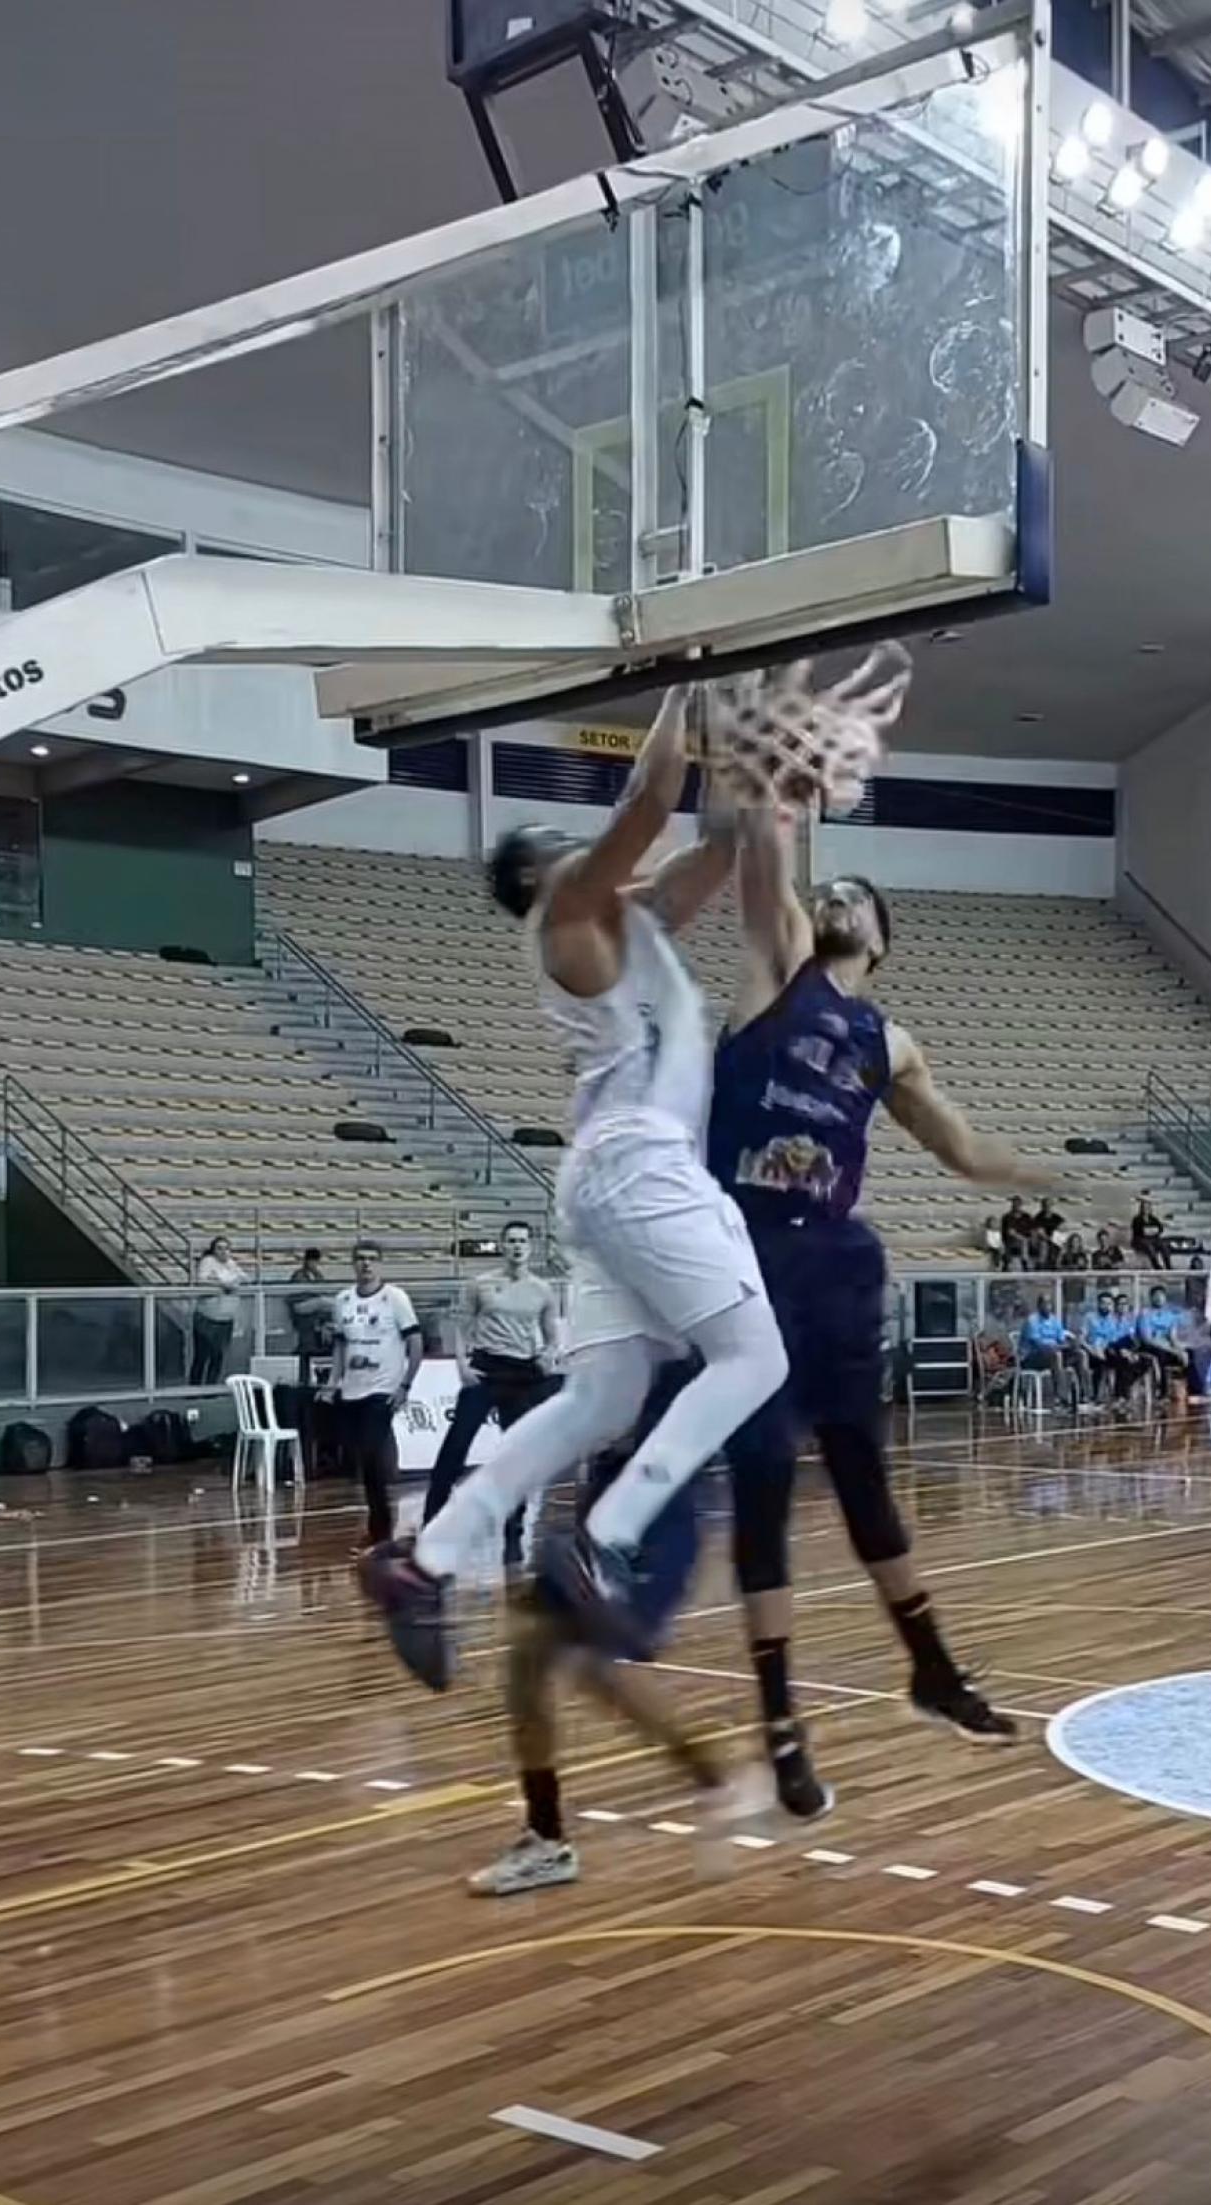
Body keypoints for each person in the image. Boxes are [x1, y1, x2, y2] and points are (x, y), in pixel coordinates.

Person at [363, 685, 788, 1691]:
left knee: (603, 1396)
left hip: (614, 1173)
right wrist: (689, 681)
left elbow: (712, 850)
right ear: (535, 871)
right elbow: (647, 801)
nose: (590, 846)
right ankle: (605, 1537)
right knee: (753, 1357)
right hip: (637, 1164)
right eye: (562, 838)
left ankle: (423, 1560)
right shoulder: (565, 910)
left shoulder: (628, 923)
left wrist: (742, 746)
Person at [708, 800, 1054, 1818]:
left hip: (833, 1265)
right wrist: (774, 792)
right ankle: (780, 1727)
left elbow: (960, 1150)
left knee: (864, 1482)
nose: (835, 898)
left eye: (854, 896)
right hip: (740, 1250)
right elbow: (768, 874)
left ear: (882, 939)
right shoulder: (774, 974)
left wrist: (1048, 1177)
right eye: (828, 891)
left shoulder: (887, 1042)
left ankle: (932, 1672)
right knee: (764, 1481)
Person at [468, 1358, 767, 1895]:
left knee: (597, 1666)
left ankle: (719, 1777)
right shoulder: (612, 1312)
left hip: (658, 1505)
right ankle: (546, 1836)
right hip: (601, 1498)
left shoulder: (687, 1316)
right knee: (526, 1655)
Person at [423, 1222, 560, 1572]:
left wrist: (548, 1354)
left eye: (522, 1241)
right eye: (511, 1240)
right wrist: (461, 1365)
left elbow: (551, 1333)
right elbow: (460, 1327)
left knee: (516, 1454)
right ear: (502, 1245)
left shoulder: (542, 1289)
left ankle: (514, 1525)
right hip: (485, 1369)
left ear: (531, 1247)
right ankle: (432, 1523)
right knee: (455, 1447)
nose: (516, 1246)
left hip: (522, 1374)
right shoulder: (479, 1285)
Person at [330, 1239, 423, 1546]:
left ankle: (381, 1528)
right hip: (352, 1389)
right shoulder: (342, 1300)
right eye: (360, 1258)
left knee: (371, 1454)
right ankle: (382, 1514)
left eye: (371, 1259)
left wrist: (405, 1385)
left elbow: (414, 1342)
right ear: (352, 1263)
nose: (365, 1264)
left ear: (380, 1263)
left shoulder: (394, 1298)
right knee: (361, 1457)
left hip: (382, 1388)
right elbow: (341, 1345)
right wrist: (334, 1381)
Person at [1018, 1295, 1092, 1408]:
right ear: (1039, 1305)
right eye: (1045, 1304)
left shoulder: (1055, 1320)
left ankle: (1084, 1396)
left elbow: (1061, 1339)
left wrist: (1069, 1345)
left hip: (1055, 1353)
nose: (1048, 1306)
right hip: (1033, 1357)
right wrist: (1057, 1347)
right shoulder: (1032, 1320)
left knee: (1080, 1355)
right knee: (1056, 1355)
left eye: (1050, 1304)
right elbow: (1038, 1344)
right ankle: (1061, 1398)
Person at [191, 1236, 245, 1385]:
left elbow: (242, 1278)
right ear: (213, 1250)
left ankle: (211, 1387)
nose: (223, 1252)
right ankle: (194, 1387)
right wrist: (222, 1284)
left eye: (226, 1248)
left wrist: (230, 1283)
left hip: (225, 1318)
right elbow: (201, 1281)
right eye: (219, 1248)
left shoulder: (231, 1264)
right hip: (207, 1317)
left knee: (218, 1355)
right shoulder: (207, 1262)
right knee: (201, 1355)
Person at [287, 1247, 333, 1387]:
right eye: (311, 1261)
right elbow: (296, 1297)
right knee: (325, 1302)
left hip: (315, 1314)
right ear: (306, 1261)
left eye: (316, 1261)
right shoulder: (298, 1276)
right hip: (301, 1307)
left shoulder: (318, 1275)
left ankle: (323, 1377)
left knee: (327, 1304)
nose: (314, 1264)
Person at [1136, 1284, 1190, 1398]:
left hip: (1167, 1346)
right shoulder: (1145, 1314)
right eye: (1156, 1296)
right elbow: (1147, 1339)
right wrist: (1172, 1350)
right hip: (1150, 1347)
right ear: (1151, 1298)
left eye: (1161, 1296)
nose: (1159, 1298)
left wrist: (1180, 1350)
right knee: (1161, 1355)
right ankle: (1162, 1392)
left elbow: (1172, 1337)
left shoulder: (1170, 1315)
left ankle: (1192, 1390)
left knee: (1190, 1354)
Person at [1131, 1193, 1170, 1271]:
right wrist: (1151, 1230)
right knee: (1149, 1247)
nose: (1146, 1209)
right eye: (1144, 1208)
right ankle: (1156, 1266)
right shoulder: (1137, 1219)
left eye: (1147, 1208)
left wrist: (1150, 1231)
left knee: (1164, 1246)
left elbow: (1160, 1228)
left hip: (1153, 1239)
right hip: (1140, 1240)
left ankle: (1168, 1266)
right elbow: (1139, 1231)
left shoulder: (1153, 1218)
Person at [1000, 1196, 1032, 1271]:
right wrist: (1021, 1237)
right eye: (1015, 1204)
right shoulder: (1007, 1217)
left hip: (1026, 1239)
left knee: (1026, 1241)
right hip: (1012, 1240)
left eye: (1018, 1204)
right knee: (1023, 1241)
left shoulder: (1026, 1216)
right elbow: (1010, 1232)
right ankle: (1025, 1263)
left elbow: (1031, 1229)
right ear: (1012, 1205)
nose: (1017, 1206)